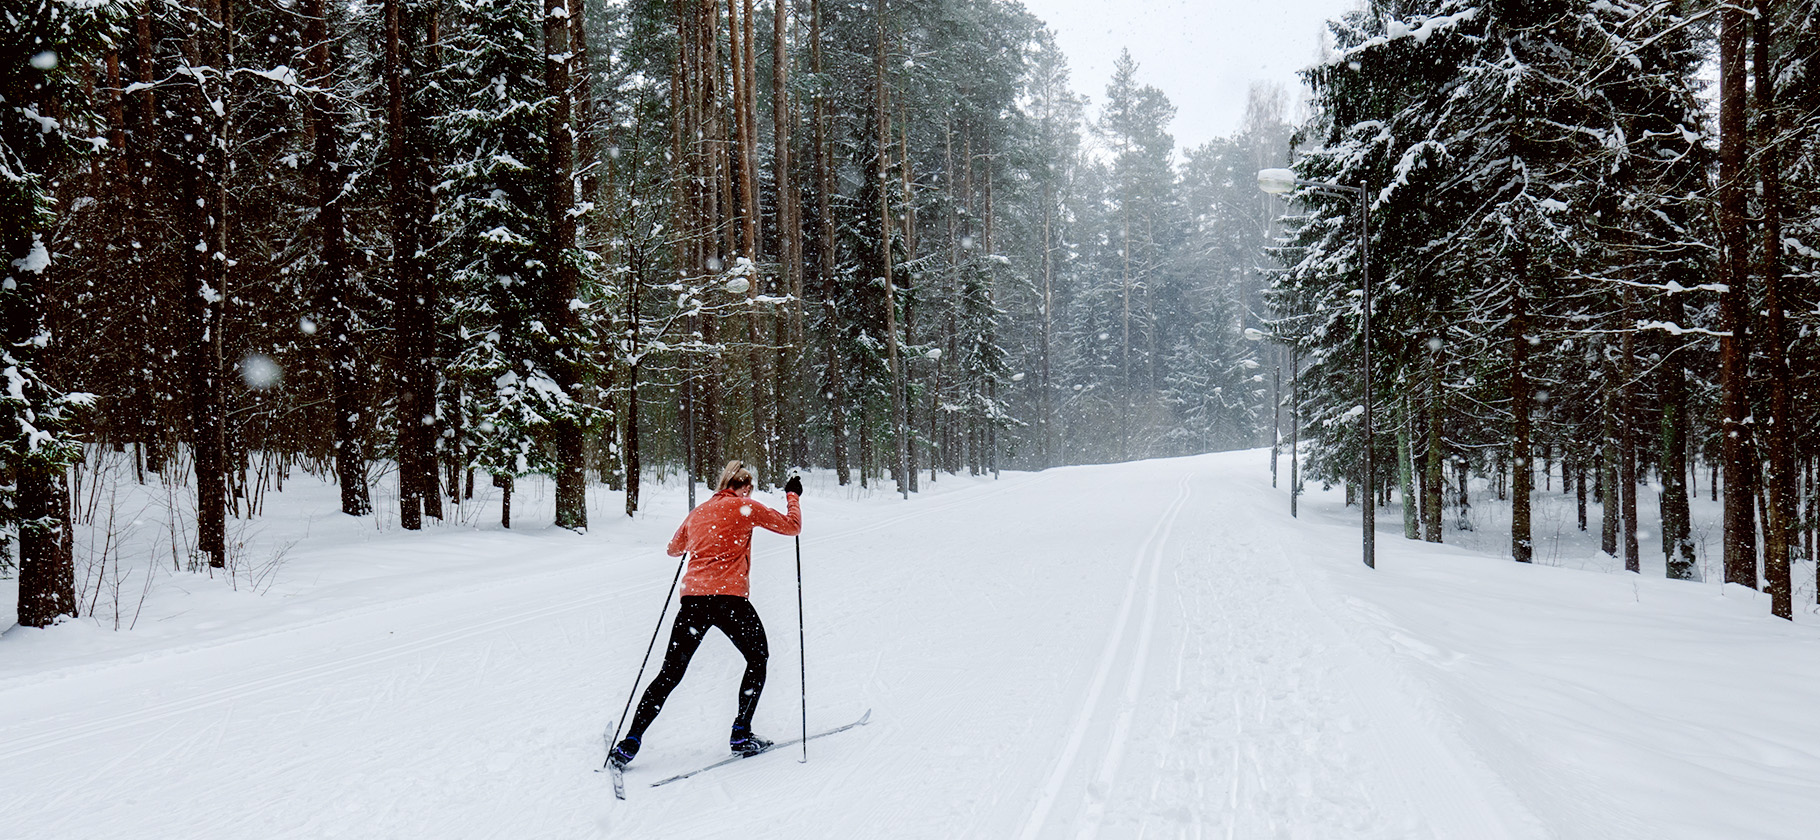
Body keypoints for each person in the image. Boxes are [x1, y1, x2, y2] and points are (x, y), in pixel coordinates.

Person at [610, 461, 803, 768]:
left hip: (694, 603)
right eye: (748, 489)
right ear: (743, 488)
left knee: (670, 674)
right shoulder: (747, 508)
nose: (748, 494)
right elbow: (793, 526)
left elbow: (674, 549)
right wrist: (792, 496)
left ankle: (630, 743)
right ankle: (741, 733)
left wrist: (699, 536)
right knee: (758, 658)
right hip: (730, 601)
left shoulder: (699, 513)